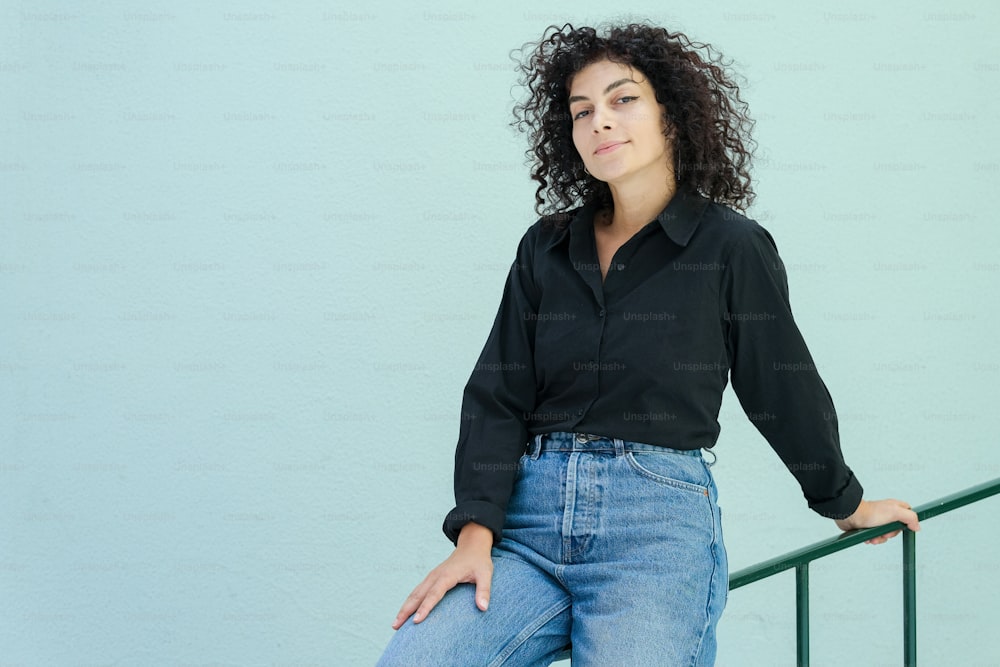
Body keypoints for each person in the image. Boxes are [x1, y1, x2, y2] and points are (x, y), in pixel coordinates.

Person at [377, 21, 921, 666]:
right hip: (526, 530)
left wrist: (845, 503)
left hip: (654, 532)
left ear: (673, 114)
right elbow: (497, 395)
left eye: (623, 99)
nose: (600, 122)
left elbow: (780, 383)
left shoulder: (729, 245)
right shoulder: (545, 248)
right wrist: (474, 537)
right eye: (582, 111)